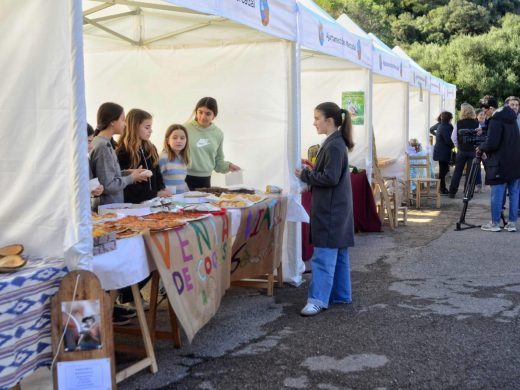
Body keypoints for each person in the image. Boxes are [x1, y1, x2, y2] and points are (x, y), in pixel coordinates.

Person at [295, 102, 355, 316]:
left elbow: (330, 177)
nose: (314, 123)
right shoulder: (335, 142)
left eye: (317, 118)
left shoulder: (334, 145)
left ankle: (317, 299)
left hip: (331, 210)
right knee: (338, 254)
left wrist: (305, 175)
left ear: (329, 121)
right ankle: (341, 294)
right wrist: (312, 171)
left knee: (323, 256)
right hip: (337, 208)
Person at [89, 102, 146, 206]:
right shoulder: (103, 146)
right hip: (107, 209)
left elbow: (107, 176)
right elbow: (108, 185)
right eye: (123, 120)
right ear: (112, 121)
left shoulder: (104, 142)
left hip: (110, 207)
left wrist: (127, 172)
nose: (125, 124)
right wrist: (131, 178)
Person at [478, 95, 520, 232]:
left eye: (484, 110)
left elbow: (492, 143)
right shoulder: (512, 118)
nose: (484, 114)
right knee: (514, 193)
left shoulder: (496, 119)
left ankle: (495, 223)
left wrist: (481, 147)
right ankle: (512, 223)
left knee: (497, 193)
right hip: (515, 161)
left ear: (491, 108)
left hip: (500, 163)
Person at [116, 108, 172, 203]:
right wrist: (154, 194)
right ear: (134, 127)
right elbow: (128, 185)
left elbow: (157, 173)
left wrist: (162, 188)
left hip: (153, 202)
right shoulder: (123, 151)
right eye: (147, 127)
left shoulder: (151, 148)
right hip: (133, 205)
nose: (151, 131)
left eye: (150, 127)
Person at [184, 97, 240, 190]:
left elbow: (218, 162)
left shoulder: (218, 134)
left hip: (205, 181)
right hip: (184, 179)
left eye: (208, 113)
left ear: (214, 116)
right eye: (200, 112)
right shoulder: (184, 129)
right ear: (196, 112)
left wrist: (229, 166)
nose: (203, 117)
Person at [448, 104, 480, 198]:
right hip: (472, 150)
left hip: (461, 150)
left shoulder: (459, 123)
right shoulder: (476, 123)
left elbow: (453, 137)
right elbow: (478, 137)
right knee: (470, 172)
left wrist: (458, 146)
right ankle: (467, 193)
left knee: (457, 171)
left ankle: (452, 192)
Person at [159, 124, 190, 194]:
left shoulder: (183, 157)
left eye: (182, 138)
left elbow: (181, 181)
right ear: (167, 141)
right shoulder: (163, 158)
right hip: (169, 199)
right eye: (175, 138)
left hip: (183, 198)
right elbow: (155, 180)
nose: (179, 141)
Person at [432, 111, 454, 195]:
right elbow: (448, 140)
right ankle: (442, 188)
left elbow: (431, 129)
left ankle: (441, 188)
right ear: (449, 118)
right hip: (443, 152)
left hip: (440, 151)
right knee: (443, 171)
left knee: (443, 171)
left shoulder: (440, 125)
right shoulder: (446, 127)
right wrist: (454, 145)